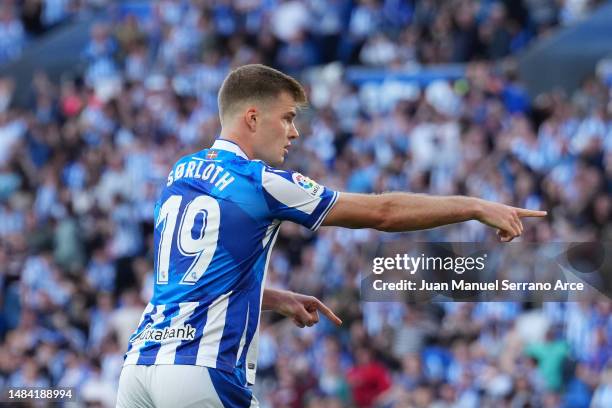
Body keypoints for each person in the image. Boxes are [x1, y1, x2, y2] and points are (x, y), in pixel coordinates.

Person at [116, 64, 546, 407]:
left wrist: (272, 297)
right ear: (252, 117)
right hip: (201, 371)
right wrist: (474, 206)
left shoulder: (180, 173)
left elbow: (189, 276)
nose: (294, 131)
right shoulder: (259, 180)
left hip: (139, 369)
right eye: (286, 118)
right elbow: (383, 212)